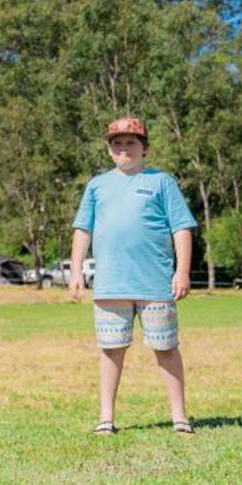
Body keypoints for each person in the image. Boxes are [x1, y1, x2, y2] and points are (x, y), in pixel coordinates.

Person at [69, 116, 198, 436]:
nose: (123, 148)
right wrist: (75, 271)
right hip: (111, 284)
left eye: (130, 142)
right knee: (111, 350)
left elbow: (181, 228)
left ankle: (180, 417)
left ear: (144, 148)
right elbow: (83, 229)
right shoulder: (97, 185)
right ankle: (106, 418)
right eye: (116, 143)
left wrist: (182, 271)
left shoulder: (161, 182)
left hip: (155, 283)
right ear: (109, 150)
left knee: (166, 347)